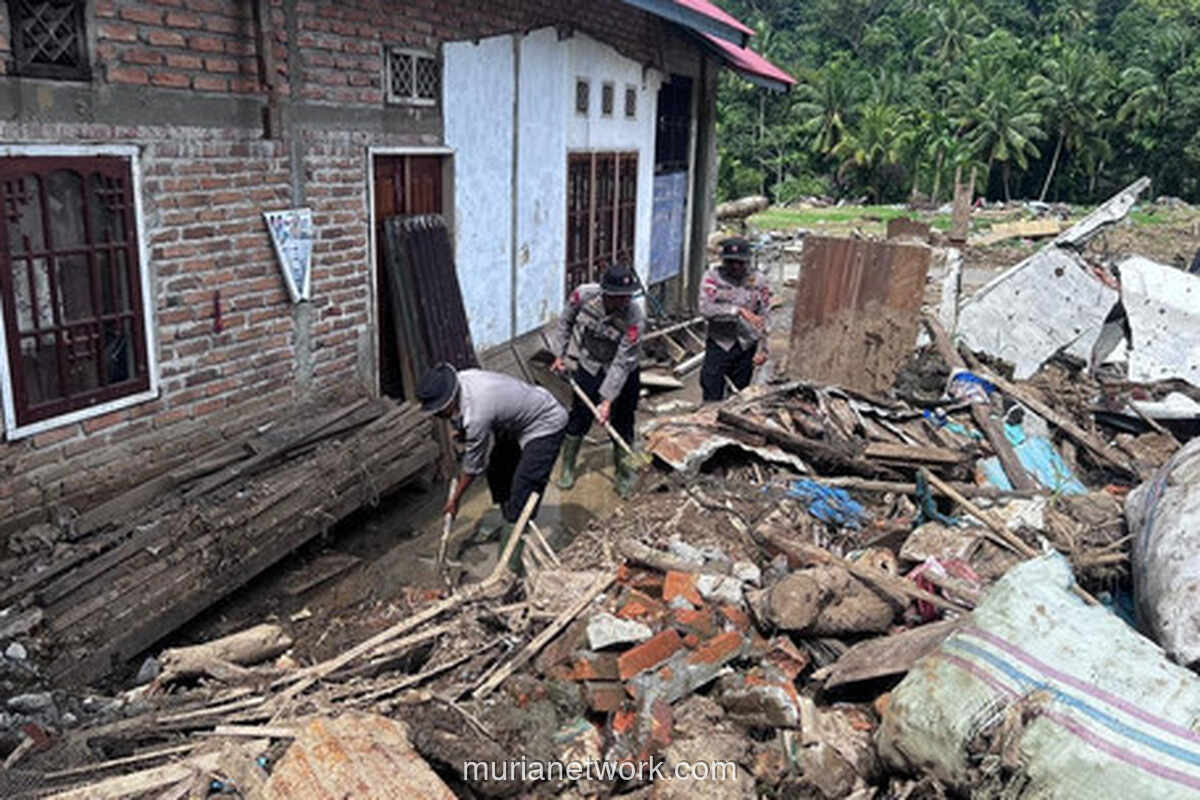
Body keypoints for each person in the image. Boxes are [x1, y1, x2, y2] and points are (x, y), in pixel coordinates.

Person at [417, 363, 567, 572]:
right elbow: (472, 421)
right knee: (498, 472)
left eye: (439, 411)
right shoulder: (462, 380)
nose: (438, 416)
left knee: (524, 489)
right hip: (515, 422)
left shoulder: (477, 413)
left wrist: (455, 499)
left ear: (449, 400)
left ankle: (509, 567)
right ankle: (510, 525)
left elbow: (472, 467)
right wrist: (465, 432)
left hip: (545, 422)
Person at [550, 262, 644, 499]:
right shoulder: (583, 296)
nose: (624, 301)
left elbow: (622, 362)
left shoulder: (634, 315)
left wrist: (607, 401)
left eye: (627, 296)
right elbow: (565, 322)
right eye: (618, 297)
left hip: (623, 370)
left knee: (623, 420)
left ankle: (623, 473)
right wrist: (559, 355)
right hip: (590, 364)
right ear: (605, 293)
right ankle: (568, 466)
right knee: (579, 416)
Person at [698, 237, 770, 402]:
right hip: (720, 342)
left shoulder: (758, 280)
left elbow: (765, 314)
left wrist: (764, 348)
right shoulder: (712, 277)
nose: (736, 266)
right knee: (711, 390)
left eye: (740, 263)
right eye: (731, 262)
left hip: (746, 345)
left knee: (740, 395)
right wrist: (737, 311)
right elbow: (705, 309)